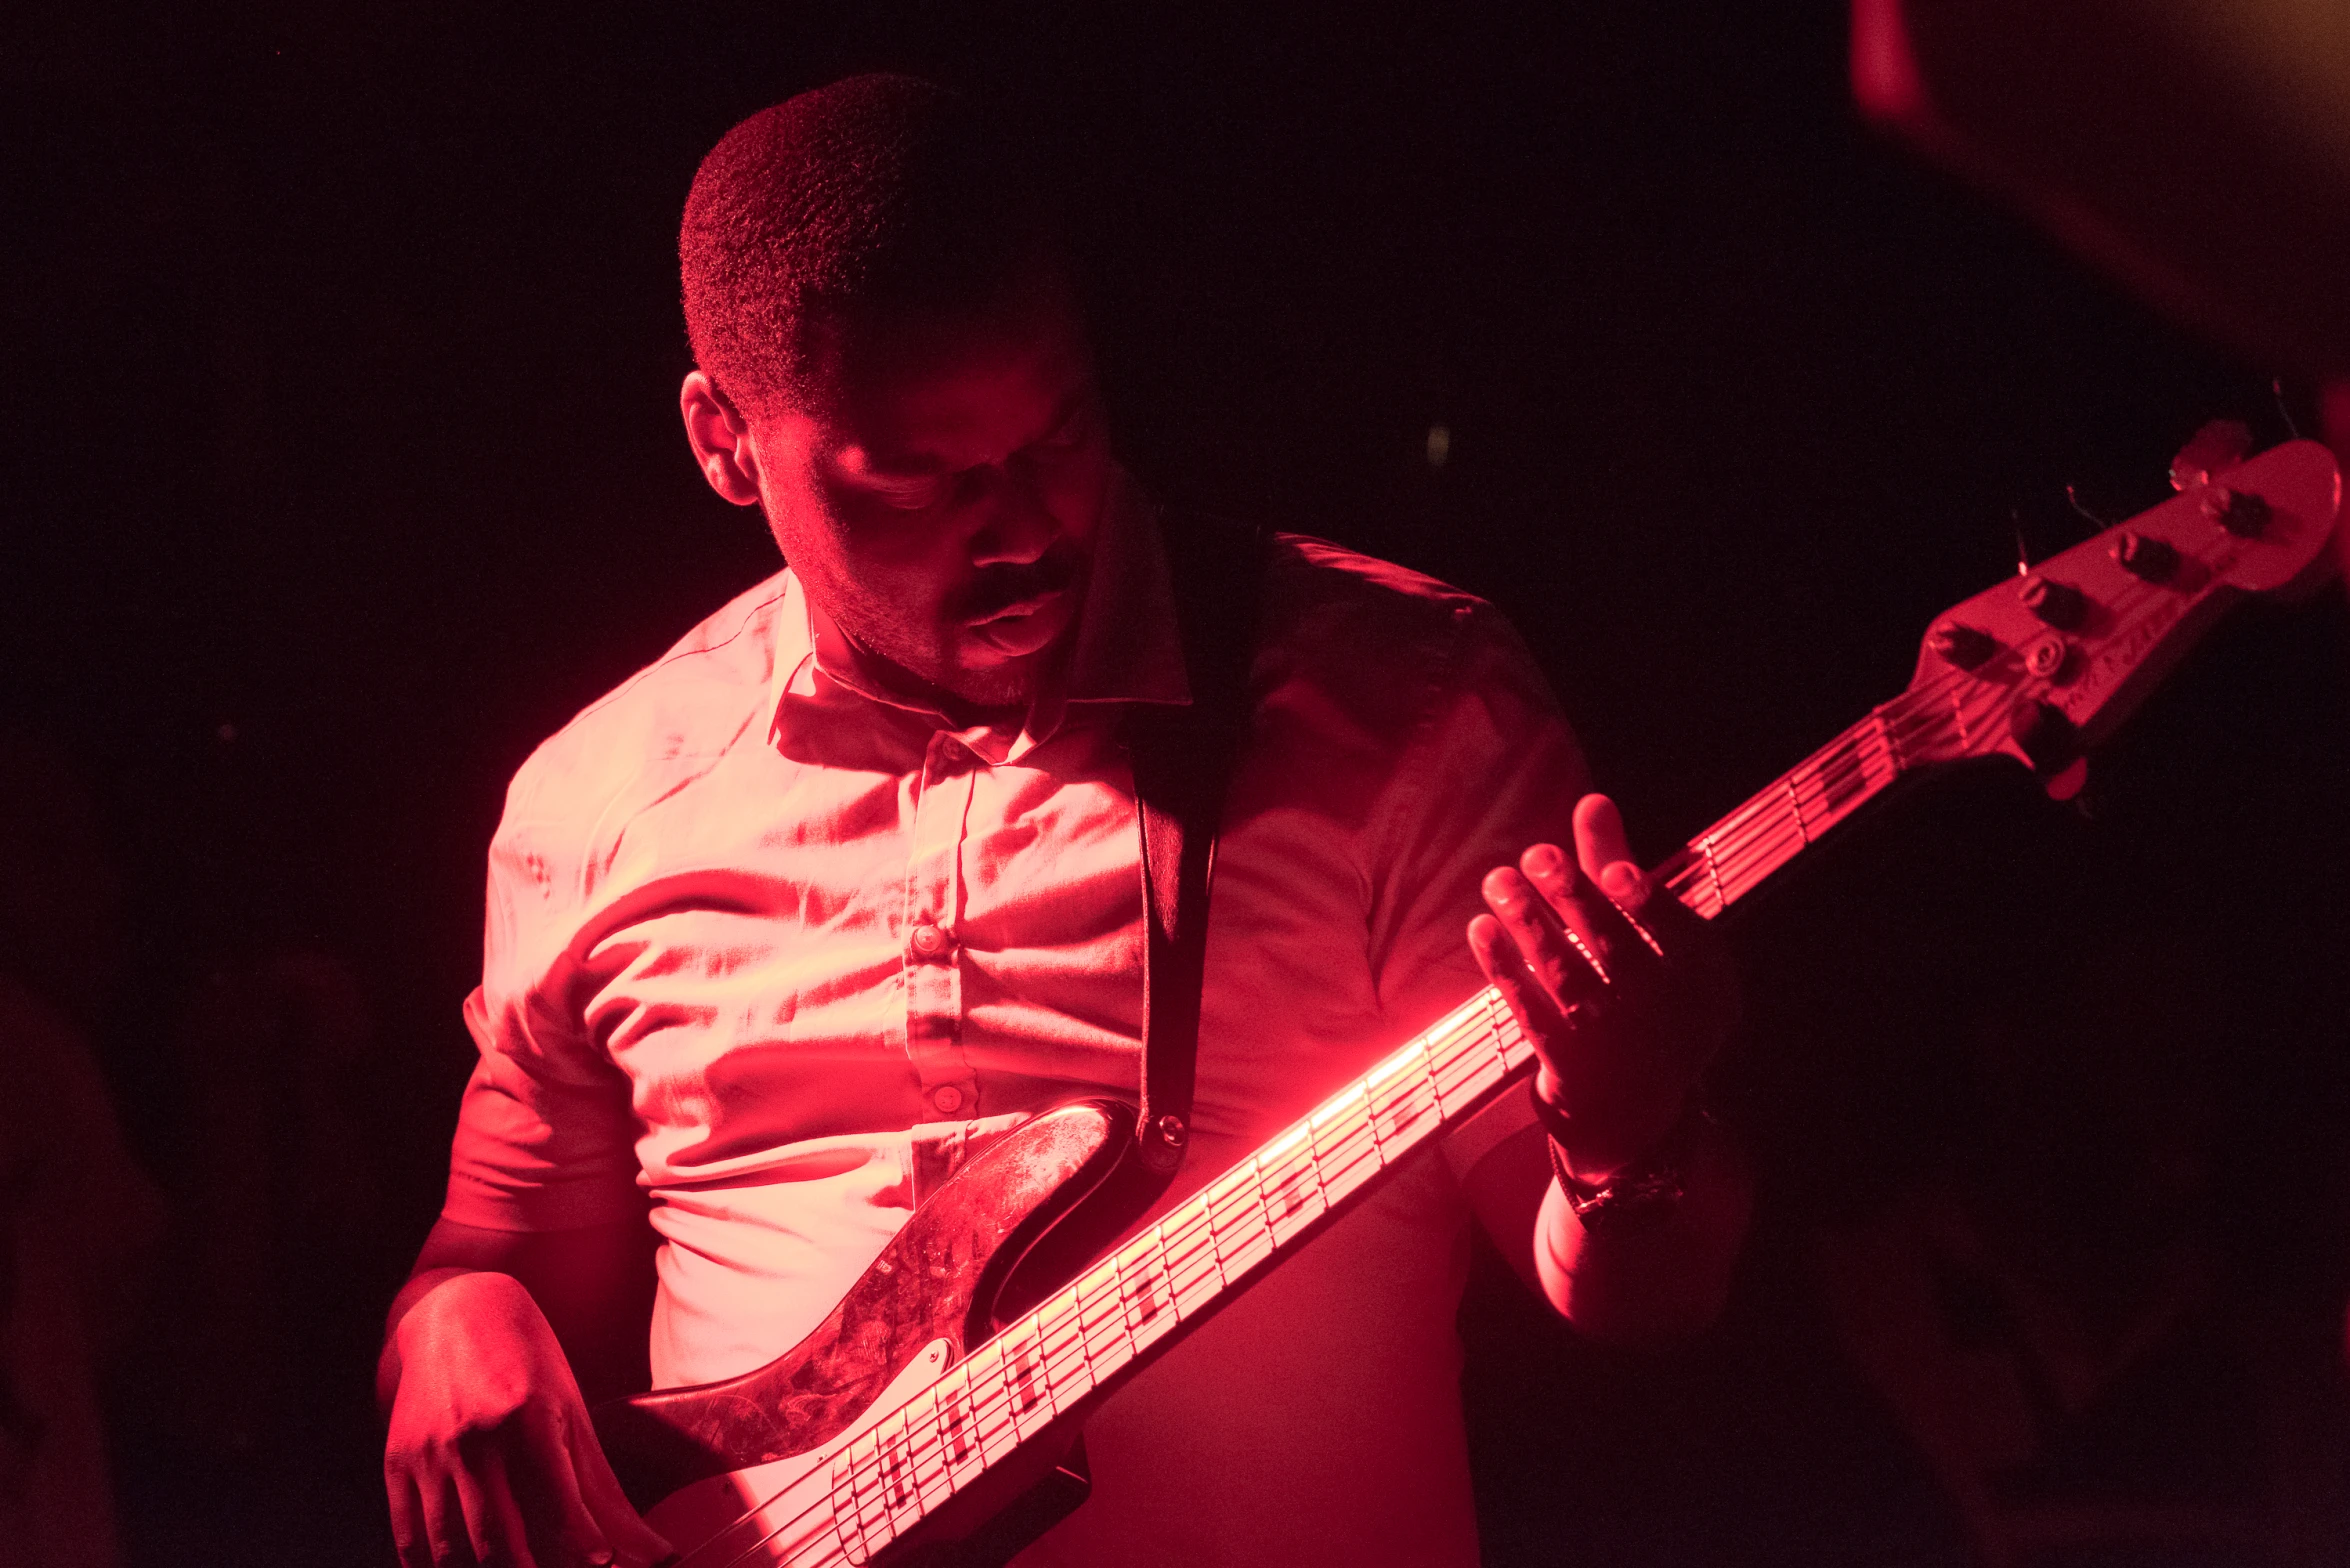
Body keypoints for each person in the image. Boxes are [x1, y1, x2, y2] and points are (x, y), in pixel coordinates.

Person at [378, 74, 1750, 1568]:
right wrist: (455, 1322)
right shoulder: (597, 800)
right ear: (723, 441)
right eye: (917, 483)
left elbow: (1643, 1289)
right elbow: (489, 1258)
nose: (1025, 525)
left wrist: (1626, 1145)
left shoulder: (1405, 708)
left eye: (1058, 435)